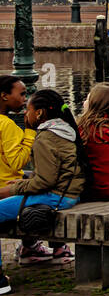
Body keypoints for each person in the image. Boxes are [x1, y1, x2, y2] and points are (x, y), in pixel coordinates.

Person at [0, 89, 87, 293]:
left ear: (39, 113)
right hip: (69, 194)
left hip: (56, 197)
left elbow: (44, 182)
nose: (25, 114)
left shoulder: (46, 137)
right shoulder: (64, 130)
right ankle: (29, 249)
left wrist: (12, 188)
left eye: (28, 109)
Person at [0, 75, 57, 266]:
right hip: (5, 186)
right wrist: (30, 131)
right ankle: (50, 247)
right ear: (4, 96)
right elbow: (17, 162)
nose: (25, 99)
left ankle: (31, 245)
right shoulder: (6, 125)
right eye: (22, 94)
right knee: (50, 191)